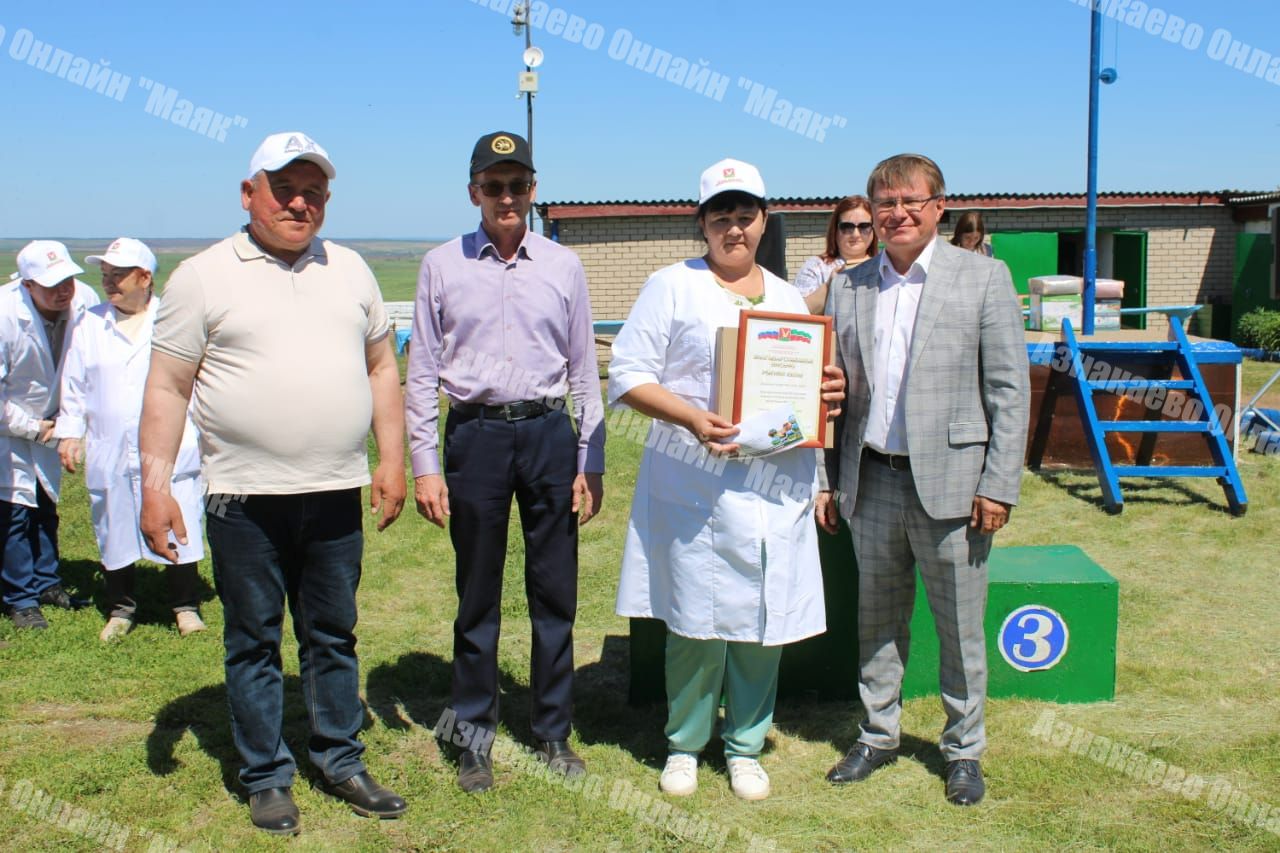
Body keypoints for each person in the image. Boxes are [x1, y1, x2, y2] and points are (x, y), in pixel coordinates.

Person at [138, 132, 407, 834]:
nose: (299, 201)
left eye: (313, 190)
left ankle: (339, 758)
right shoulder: (202, 276)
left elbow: (382, 367)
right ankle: (266, 775)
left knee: (332, 633)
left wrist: (390, 458)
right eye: (284, 187)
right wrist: (155, 484)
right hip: (242, 496)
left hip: (332, 490)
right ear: (248, 193)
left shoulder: (351, 270)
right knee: (254, 638)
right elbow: (167, 385)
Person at [610, 158, 845, 802]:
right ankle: (685, 744)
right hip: (696, 481)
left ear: (764, 221)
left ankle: (745, 744)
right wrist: (688, 416)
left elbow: (812, 393)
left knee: (765, 620)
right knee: (694, 618)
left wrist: (827, 392)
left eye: (746, 216)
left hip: (776, 482)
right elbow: (627, 375)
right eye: (721, 217)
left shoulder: (790, 297)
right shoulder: (671, 286)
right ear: (703, 224)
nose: (734, 228)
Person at [817, 154, 1029, 806]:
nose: (897, 213)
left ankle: (963, 748)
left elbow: (1008, 389)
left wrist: (998, 483)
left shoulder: (984, 278)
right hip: (871, 477)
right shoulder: (847, 285)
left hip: (955, 485)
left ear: (939, 207)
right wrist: (827, 476)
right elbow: (835, 394)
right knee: (876, 620)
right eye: (885, 202)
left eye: (911, 200)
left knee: (960, 627)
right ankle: (879, 732)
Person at [405, 130, 605, 794]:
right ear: (474, 193)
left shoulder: (562, 265)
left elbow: (584, 368)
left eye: (517, 185)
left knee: (554, 592)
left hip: (548, 433)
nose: (506, 197)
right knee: (477, 595)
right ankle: (474, 738)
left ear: (533, 190)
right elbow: (423, 369)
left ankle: (550, 730)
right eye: (493, 186)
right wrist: (426, 464)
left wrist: (590, 455)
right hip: (477, 437)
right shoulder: (442, 264)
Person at [55, 238, 207, 642]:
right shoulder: (89, 323)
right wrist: (71, 431)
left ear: (145, 277)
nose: (109, 283)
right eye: (105, 275)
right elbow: (74, 383)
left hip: (168, 445)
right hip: (110, 445)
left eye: (118, 275)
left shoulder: (170, 321)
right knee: (113, 523)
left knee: (179, 518)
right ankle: (121, 607)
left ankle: (184, 605)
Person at [1, 240, 98, 630]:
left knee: (45, 507)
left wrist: (68, 421)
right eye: (51, 284)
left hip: (52, 423)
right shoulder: (4, 315)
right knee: (13, 513)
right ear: (27, 285)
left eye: (68, 280)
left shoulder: (84, 302)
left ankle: (47, 584)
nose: (64, 290)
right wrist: (32, 427)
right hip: (9, 429)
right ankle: (19, 599)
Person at [792, 195, 878, 313]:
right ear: (835, 230)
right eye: (847, 227)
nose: (855, 234)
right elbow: (798, 312)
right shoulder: (816, 267)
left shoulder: (883, 266)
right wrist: (830, 286)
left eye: (864, 226)